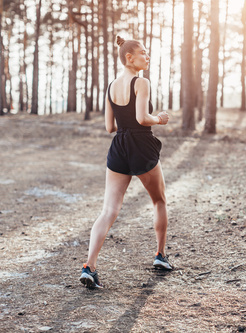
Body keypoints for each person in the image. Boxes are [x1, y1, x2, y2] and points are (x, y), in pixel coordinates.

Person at [80, 36, 172, 289]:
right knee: (159, 200)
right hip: (141, 146)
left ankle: (89, 267)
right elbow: (143, 118)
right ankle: (160, 256)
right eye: (143, 53)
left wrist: (127, 127)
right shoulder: (141, 82)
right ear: (129, 58)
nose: (147, 57)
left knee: (109, 210)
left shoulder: (111, 86)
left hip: (119, 147)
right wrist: (160, 118)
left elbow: (110, 127)